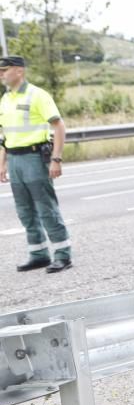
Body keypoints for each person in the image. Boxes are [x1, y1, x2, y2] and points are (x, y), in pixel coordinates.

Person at [0, 55, 73, 272]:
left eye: (4, 70)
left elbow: (59, 126)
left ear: (19, 71)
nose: (1, 74)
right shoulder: (5, 98)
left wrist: (56, 159)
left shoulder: (37, 95)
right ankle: (39, 254)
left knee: (46, 209)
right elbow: (4, 135)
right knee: (25, 211)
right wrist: (2, 164)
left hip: (34, 158)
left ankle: (63, 255)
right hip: (14, 159)